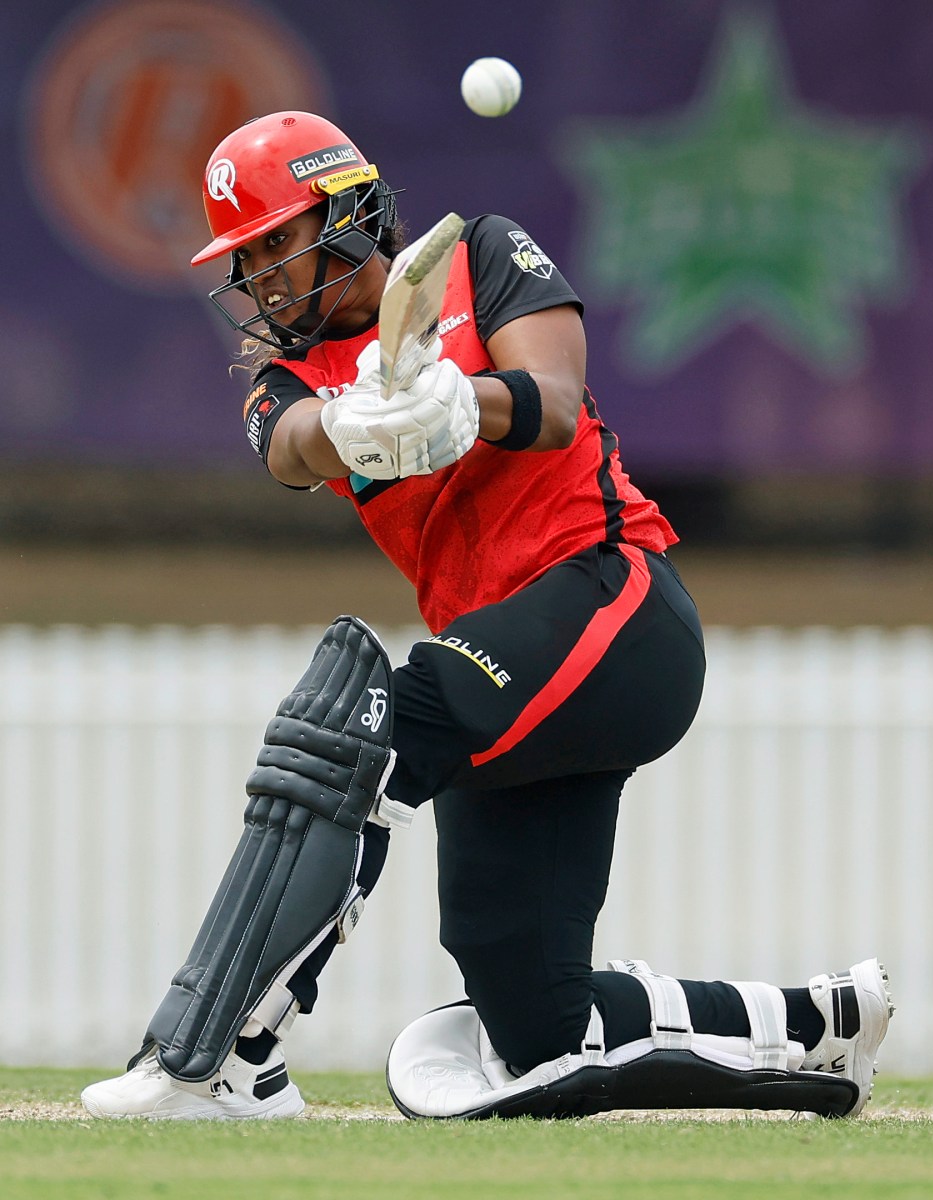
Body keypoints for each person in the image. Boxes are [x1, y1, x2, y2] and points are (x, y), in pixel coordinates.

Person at [81, 111, 892, 1122]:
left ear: (348, 214)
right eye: (246, 260)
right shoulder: (282, 380)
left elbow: (555, 396)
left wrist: (463, 400)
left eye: (278, 243)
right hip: (506, 670)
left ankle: (227, 1059)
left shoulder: (479, 252)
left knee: (361, 731)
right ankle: (812, 1027)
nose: (264, 280)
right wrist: (351, 421)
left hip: (612, 604)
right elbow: (289, 447)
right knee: (535, 1025)